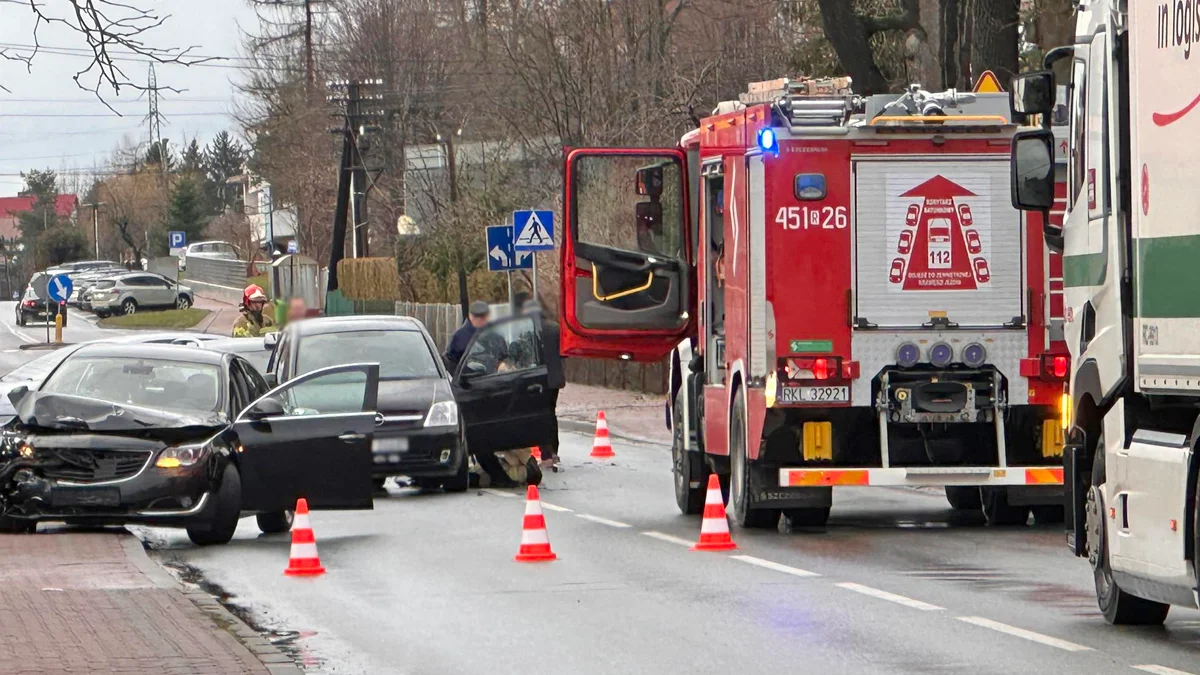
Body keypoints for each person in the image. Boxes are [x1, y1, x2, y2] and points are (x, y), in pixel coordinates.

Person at [444, 300, 489, 372]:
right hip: (469, 379)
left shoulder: (494, 336)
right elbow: (451, 364)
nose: (482, 320)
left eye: (484, 317)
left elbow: (502, 355)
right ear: (470, 316)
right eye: (478, 317)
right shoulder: (459, 337)